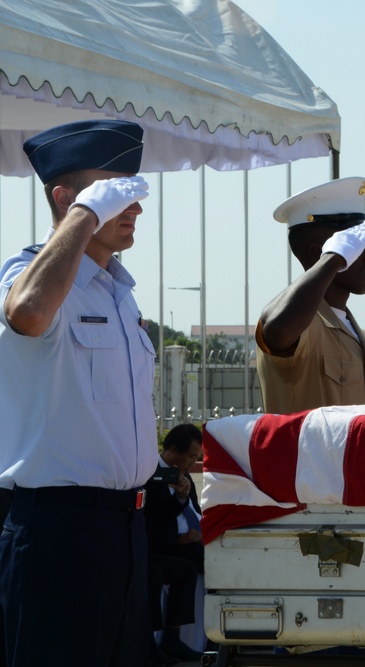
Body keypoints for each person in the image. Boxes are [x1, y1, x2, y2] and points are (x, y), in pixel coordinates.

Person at [0, 119, 156, 666]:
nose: (133, 205)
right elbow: (29, 311)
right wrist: (87, 214)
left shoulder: (121, 293)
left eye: (134, 191)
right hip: (59, 536)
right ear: (64, 198)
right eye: (115, 191)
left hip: (128, 530)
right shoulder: (25, 275)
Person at [256, 177, 365, 414]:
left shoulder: (357, 336)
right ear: (319, 253)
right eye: (356, 245)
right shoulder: (303, 326)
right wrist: (335, 258)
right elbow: (275, 329)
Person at [144, 424, 206, 664]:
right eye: (190, 456)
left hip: (184, 540)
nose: (192, 462)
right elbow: (152, 519)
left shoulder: (185, 476)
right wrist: (179, 538)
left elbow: (192, 511)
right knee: (157, 571)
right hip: (157, 546)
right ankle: (150, 642)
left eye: (196, 458)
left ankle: (174, 637)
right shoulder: (147, 474)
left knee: (192, 567)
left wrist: (181, 496)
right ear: (172, 449)